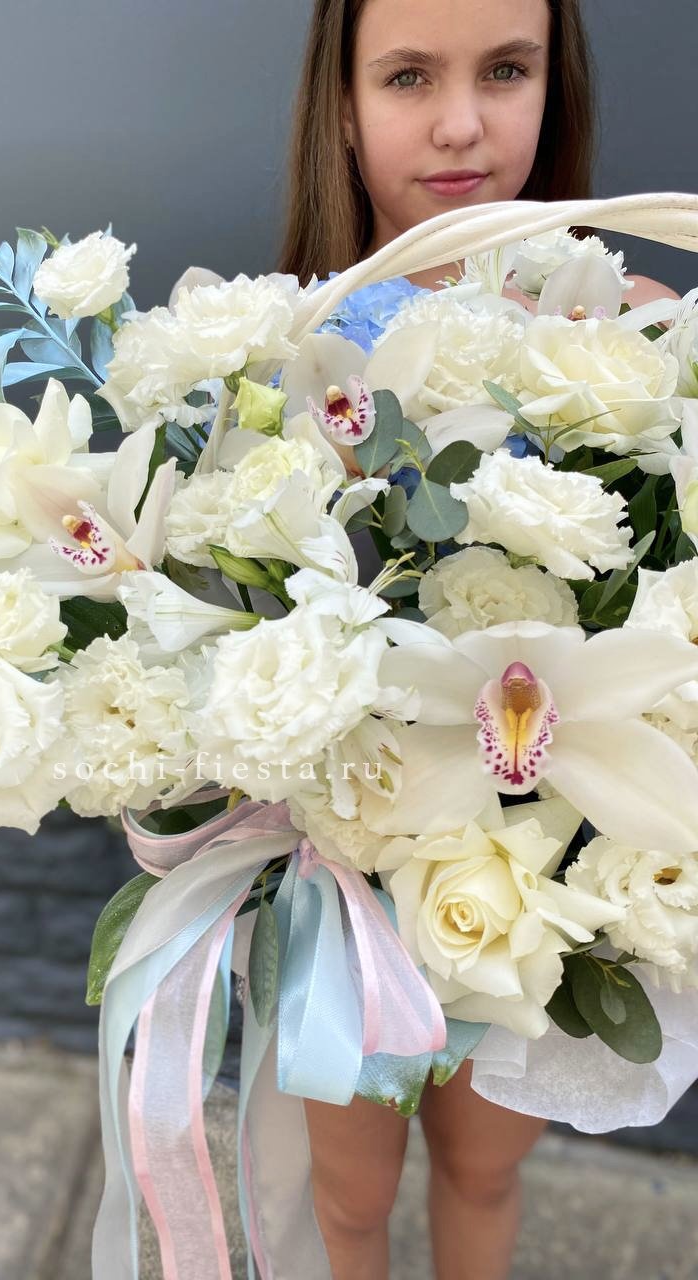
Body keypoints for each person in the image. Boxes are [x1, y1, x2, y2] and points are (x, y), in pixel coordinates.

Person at [275, 3, 681, 1279]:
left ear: (556, 84)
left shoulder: (638, 334)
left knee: (486, 1166)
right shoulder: (294, 354)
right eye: (408, 77)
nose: (463, 124)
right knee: (349, 1195)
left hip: (545, 882)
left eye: (506, 69)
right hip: (347, 871)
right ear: (343, 107)